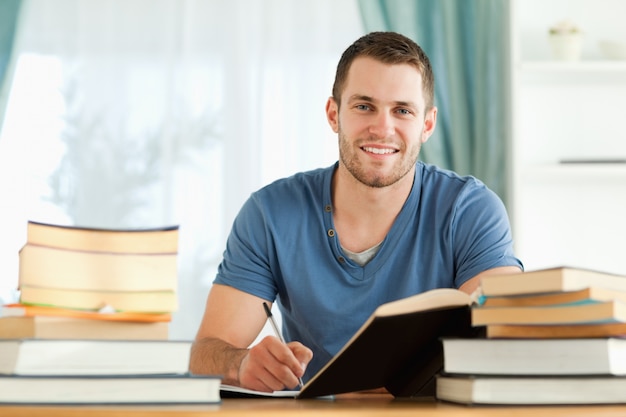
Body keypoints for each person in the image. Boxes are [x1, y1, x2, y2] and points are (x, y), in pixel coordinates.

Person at [189, 31, 523, 393]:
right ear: (334, 114)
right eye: (364, 106)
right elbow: (205, 354)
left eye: (402, 111)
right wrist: (240, 364)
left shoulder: (471, 209)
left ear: (427, 124)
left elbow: (500, 343)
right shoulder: (269, 214)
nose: (382, 128)